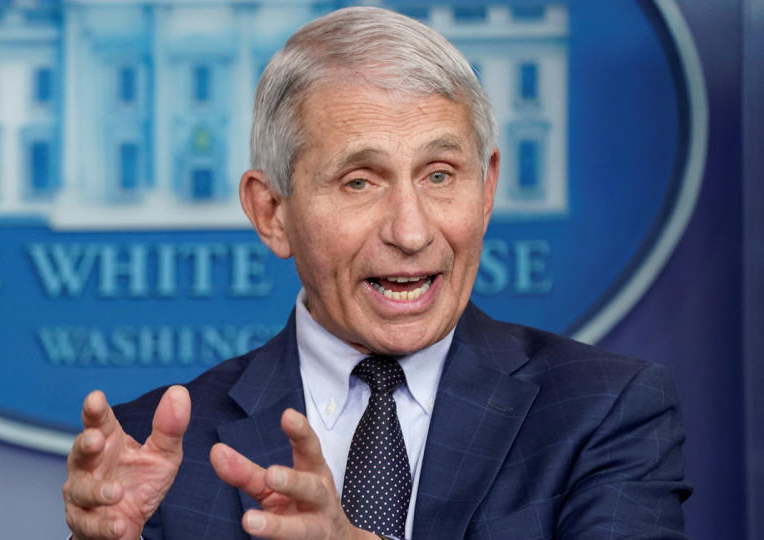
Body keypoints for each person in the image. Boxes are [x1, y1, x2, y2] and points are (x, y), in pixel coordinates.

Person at [62, 7, 691, 539]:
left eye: (440, 175)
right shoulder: (159, 452)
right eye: (359, 181)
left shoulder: (604, 412)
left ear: (488, 188)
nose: (412, 232)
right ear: (271, 212)